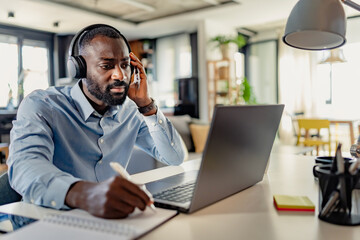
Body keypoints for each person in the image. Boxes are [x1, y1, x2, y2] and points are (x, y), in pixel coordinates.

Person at [7, 24, 187, 219]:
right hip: (44, 221)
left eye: (125, 65)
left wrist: (146, 105)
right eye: (106, 65)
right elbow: (25, 166)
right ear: (79, 68)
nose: (120, 75)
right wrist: (85, 194)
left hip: (107, 220)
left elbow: (174, 157)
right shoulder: (43, 105)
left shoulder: (131, 111)